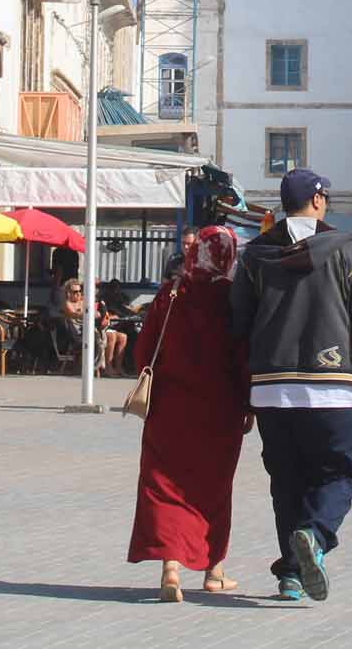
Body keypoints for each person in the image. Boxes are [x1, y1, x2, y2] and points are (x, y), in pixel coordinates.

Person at [230, 168, 352, 604]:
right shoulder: (347, 251)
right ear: (316, 202)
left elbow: (238, 320)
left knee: (287, 482)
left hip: (272, 389)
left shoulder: (255, 256)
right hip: (332, 386)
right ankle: (314, 536)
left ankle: (292, 577)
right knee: (344, 472)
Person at [128, 226, 253, 601]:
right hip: (220, 412)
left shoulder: (171, 293)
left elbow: (144, 350)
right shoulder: (233, 299)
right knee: (212, 489)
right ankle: (214, 570)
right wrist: (249, 405)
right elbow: (243, 357)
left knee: (165, 484)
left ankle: (171, 568)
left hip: (170, 408)